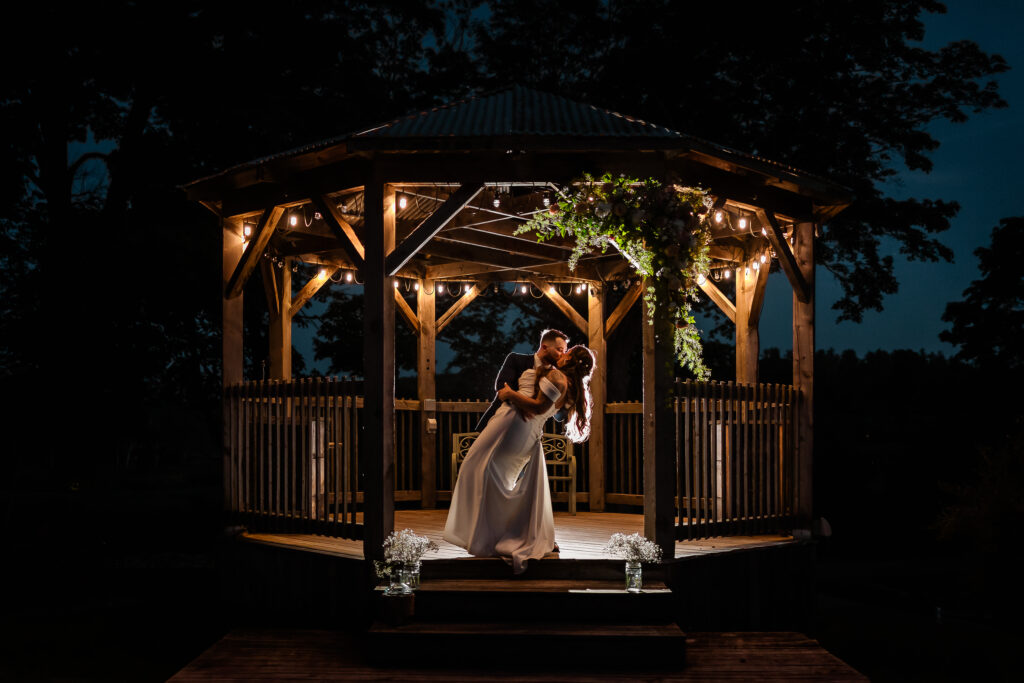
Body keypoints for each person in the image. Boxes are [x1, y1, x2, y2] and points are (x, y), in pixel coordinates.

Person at [443, 344, 596, 574]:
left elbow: (537, 407)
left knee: (484, 472)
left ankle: (491, 536)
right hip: (527, 433)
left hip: (517, 428)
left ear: (571, 360)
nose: (562, 355)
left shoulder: (558, 377)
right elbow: (547, 409)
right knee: (495, 478)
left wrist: (509, 394)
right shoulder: (572, 387)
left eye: (567, 353)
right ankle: (495, 532)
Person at [475, 329, 568, 432]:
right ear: (544, 347)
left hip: (530, 430)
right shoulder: (515, 359)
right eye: (560, 350)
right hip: (498, 422)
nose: (563, 355)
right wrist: (529, 406)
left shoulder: (558, 378)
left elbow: (560, 416)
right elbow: (502, 388)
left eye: (564, 352)